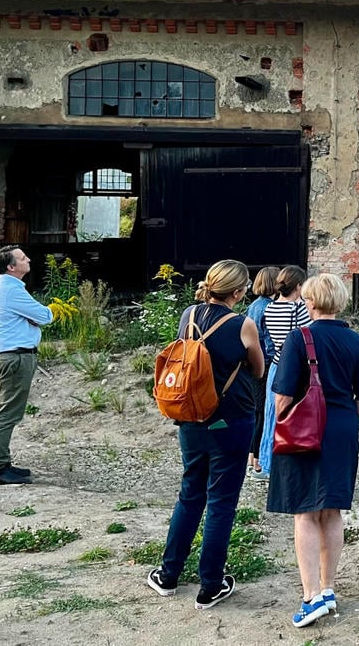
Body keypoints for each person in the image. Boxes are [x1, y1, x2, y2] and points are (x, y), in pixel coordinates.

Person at [147, 260, 264, 609]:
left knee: (190, 494)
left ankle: (168, 575)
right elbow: (258, 369)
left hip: (192, 416)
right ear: (240, 292)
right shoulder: (243, 324)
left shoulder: (189, 315)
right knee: (222, 502)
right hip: (231, 420)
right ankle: (210, 584)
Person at [268, 273, 359, 628]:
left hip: (306, 430)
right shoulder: (357, 341)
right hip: (343, 428)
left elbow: (282, 393)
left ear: (310, 302)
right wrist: (342, 416)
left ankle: (310, 595)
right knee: (332, 510)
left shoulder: (300, 338)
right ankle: (328, 589)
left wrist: (284, 422)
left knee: (305, 511)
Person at [0, 246, 53, 485]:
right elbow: (44, 316)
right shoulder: (10, 290)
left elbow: (35, 316)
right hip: (15, 357)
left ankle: (2, 464)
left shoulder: (6, 287)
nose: (29, 259)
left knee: (8, 411)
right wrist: (37, 317)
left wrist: (32, 316)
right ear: (11, 267)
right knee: (7, 413)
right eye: (23, 258)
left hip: (13, 355)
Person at [257, 265, 312, 478]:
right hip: (295, 365)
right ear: (299, 286)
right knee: (294, 414)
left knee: (271, 413)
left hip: (276, 364)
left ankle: (266, 461)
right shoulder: (298, 309)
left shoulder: (269, 308)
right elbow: (306, 334)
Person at [245, 266, 280, 480]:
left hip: (252, 363)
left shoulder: (254, 305)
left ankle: (251, 457)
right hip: (266, 364)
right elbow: (267, 342)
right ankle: (258, 461)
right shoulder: (269, 308)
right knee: (263, 412)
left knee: (256, 411)